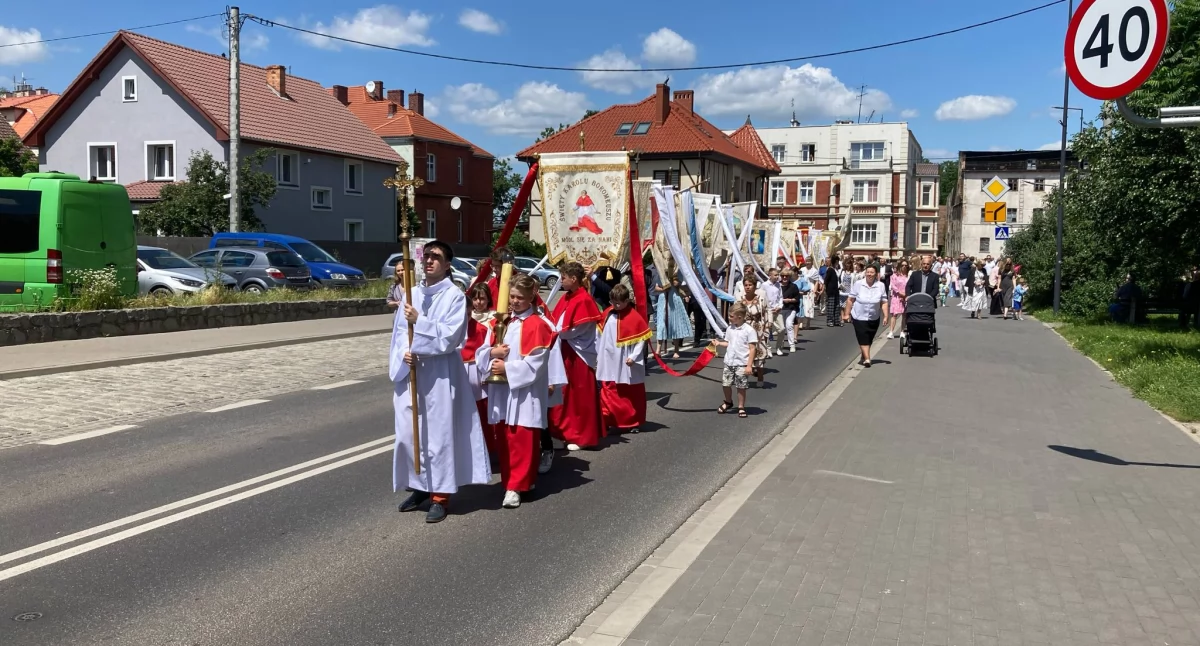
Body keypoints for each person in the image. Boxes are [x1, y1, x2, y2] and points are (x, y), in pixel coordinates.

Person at [392, 240, 491, 524]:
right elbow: (398, 334)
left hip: (440, 375)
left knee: (438, 436)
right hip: (413, 372)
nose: (429, 261)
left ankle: (441, 495)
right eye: (427, 256)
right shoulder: (411, 294)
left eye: (436, 257)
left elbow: (451, 338)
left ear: (448, 264)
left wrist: (419, 321)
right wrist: (405, 353)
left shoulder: (455, 296)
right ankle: (420, 487)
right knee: (410, 435)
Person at [477, 273, 555, 509]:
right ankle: (514, 481)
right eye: (512, 296)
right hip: (503, 392)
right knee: (505, 438)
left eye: (520, 297)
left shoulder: (538, 325)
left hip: (525, 393)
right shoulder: (502, 322)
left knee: (522, 438)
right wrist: (492, 355)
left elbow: (537, 364)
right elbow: (483, 350)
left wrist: (507, 368)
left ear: (532, 297)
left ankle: (516, 486)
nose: (515, 301)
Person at [547, 262, 603, 455]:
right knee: (563, 393)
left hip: (578, 353)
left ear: (574, 279)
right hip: (564, 350)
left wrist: (553, 333)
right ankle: (562, 432)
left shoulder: (584, 299)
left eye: (563, 277)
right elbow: (557, 321)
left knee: (579, 396)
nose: (561, 280)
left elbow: (575, 330)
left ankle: (582, 436)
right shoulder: (567, 297)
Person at [597, 284, 650, 434]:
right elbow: (601, 335)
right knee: (609, 389)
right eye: (612, 302)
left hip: (626, 360)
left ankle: (633, 421)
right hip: (608, 358)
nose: (614, 305)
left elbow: (641, 339)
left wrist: (633, 357)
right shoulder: (608, 313)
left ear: (627, 301)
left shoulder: (634, 316)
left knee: (630, 392)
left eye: (618, 303)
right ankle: (608, 419)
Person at [465, 283, 498, 458]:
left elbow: (486, 352)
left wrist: (486, 374)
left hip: (477, 374)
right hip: (460, 374)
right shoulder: (454, 327)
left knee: (482, 414)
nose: (478, 302)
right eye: (475, 298)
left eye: (482, 298)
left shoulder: (485, 327)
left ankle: (488, 449)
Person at [715, 302, 757, 419]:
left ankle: (741, 406)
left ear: (740, 317)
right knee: (726, 384)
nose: (729, 318)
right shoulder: (730, 329)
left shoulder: (749, 330)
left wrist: (749, 365)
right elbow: (728, 343)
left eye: (731, 316)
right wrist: (719, 343)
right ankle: (728, 401)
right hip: (729, 361)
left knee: (741, 386)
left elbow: (752, 348)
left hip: (741, 363)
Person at [842, 266, 889, 367]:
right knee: (862, 336)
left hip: (874, 317)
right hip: (859, 316)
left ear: (876, 274)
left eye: (872, 272)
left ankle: (864, 355)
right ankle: (867, 359)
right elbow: (850, 299)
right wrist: (846, 314)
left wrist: (886, 316)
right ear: (865, 273)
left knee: (869, 338)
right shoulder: (858, 284)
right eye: (868, 272)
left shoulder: (880, 285)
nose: (869, 274)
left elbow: (884, 301)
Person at [740, 277, 771, 388]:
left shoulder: (761, 299)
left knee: (759, 354)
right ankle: (744, 378)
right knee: (745, 354)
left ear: (754, 286)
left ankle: (760, 376)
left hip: (758, 329)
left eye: (750, 285)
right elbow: (735, 313)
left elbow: (767, 311)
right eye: (746, 285)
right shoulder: (740, 300)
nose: (747, 287)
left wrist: (768, 326)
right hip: (744, 329)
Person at [654, 273, 693, 358]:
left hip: (674, 298)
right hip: (663, 299)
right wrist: (663, 289)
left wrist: (671, 278)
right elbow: (656, 287)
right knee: (661, 324)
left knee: (675, 324)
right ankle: (658, 350)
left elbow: (677, 284)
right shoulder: (660, 273)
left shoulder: (677, 272)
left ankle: (676, 350)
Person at [764, 268, 785, 356]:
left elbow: (780, 297)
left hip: (777, 310)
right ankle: (768, 349)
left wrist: (779, 306)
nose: (777, 277)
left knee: (782, 329)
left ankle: (779, 347)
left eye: (778, 275)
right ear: (770, 275)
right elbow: (762, 296)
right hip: (768, 310)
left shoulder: (778, 285)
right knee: (767, 330)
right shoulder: (764, 285)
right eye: (775, 275)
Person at [886, 259, 909, 339]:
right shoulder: (895, 275)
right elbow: (893, 285)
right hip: (896, 296)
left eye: (906, 265)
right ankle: (891, 331)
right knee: (894, 314)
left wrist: (906, 295)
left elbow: (910, 285)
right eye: (902, 265)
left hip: (906, 297)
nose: (904, 267)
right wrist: (899, 293)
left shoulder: (908, 275)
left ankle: (902, 331)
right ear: (899, 266)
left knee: (904, 315)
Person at [779, 270, 800, 352]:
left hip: (790, 309)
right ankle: (781, 343)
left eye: (786, 276)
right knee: (781, 328)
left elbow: (797, 298)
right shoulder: (777, 286)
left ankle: (792, 345)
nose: (784, 277)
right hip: (780, 309)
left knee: (789, 325)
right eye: (783, 275)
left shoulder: (793, 286)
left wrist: (790, 300)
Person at [823, 256, 841, 328]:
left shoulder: (836, 270)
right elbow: (826, 280)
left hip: (836, 289)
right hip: (831, 290)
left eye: (838, 261)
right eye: (836, 261)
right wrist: (825, 288)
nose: (837, 263)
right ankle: (830, 321)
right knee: (831, 306)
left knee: (837, 306)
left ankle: (836, 320)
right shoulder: (830, 269)